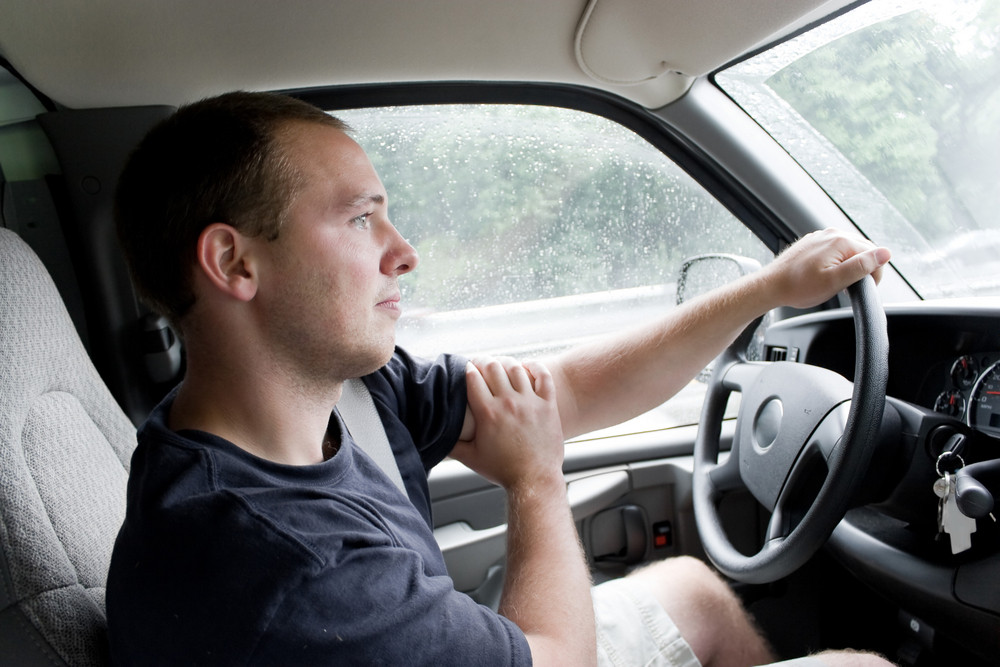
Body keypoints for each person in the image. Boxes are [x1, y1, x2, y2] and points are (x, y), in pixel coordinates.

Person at [107, 91, 895, 666]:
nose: (404, 249)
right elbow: (557, 657)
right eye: (360, 218)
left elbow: (565, 392)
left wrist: (764, 290)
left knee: (691, 587)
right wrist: (534, 478)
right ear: (234, 262)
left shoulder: (334, 390)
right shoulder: (286, 568)